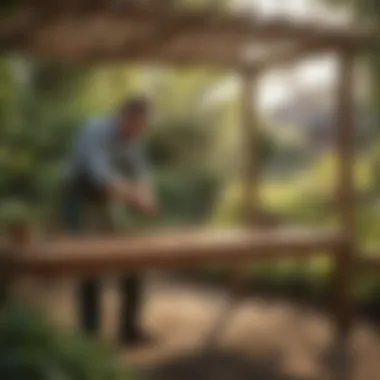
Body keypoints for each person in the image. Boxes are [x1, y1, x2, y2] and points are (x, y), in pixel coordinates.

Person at [61, 96, 157, 345]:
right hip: (81, 194)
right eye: (138, 125)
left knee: (132, 257)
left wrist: (146, 195)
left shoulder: (133, 137)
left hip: (107, 198)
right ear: (124, 116)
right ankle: (88, 339)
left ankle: (129, 330)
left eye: (144, 127)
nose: (140, 131)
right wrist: (136, 198)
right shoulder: (95, 130)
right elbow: (101, 177)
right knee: (91, 262)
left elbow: (141, 173)